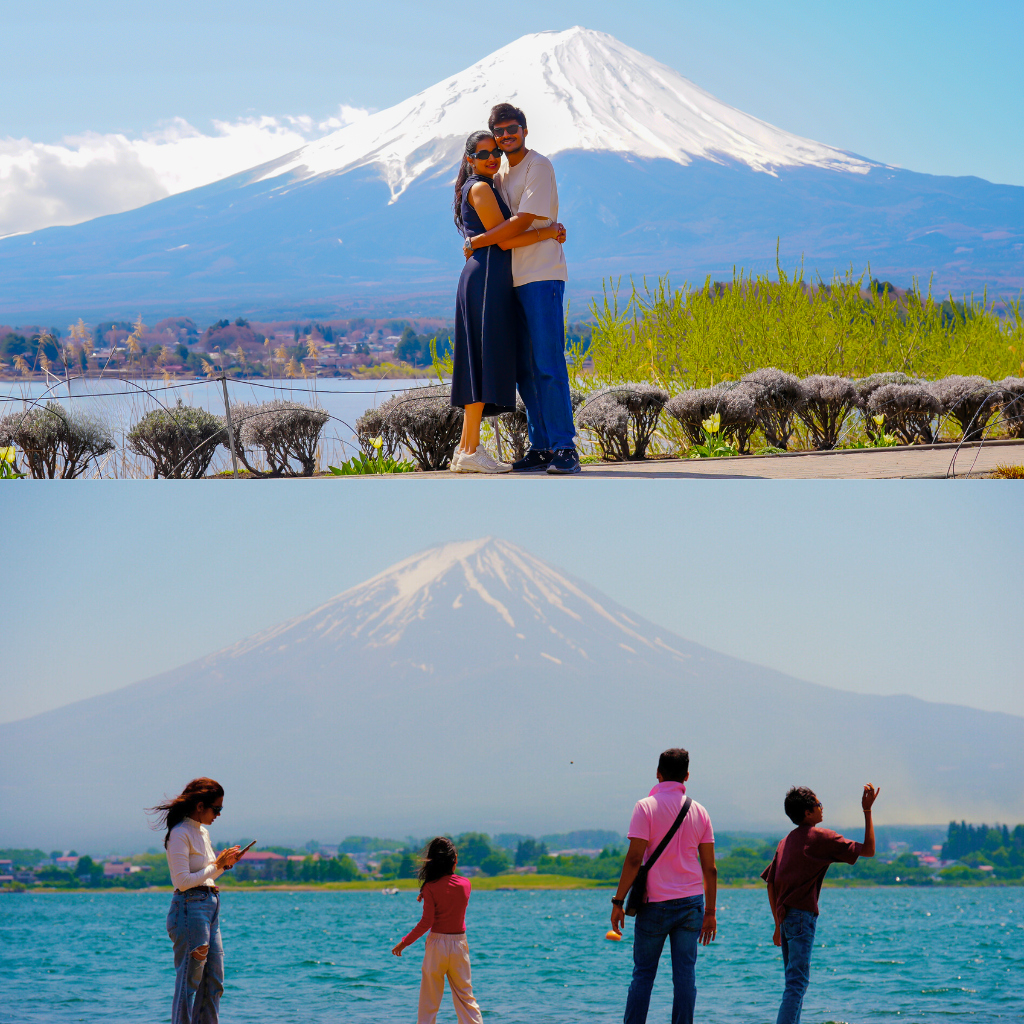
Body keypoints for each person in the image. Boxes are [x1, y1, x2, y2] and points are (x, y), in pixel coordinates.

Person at [464, 102, 579, 475]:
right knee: (525, 371)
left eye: (512, 129)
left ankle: (565, 447)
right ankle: (541, 446)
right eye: (499, 133)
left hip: (541, 274)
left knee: (548, 363)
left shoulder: (538, 166)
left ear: (525, 130)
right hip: (511, 281)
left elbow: (522, 223)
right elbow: (510, 233)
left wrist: (481, 240)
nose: (505, 136)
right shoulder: (498, 176)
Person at [610, 748, 718, 1024]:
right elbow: (710, 869)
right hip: (692, 903)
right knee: (685, 975)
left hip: (654, 904)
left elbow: (635, 859)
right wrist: (711, 913)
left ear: (658, 773)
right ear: (687, 775)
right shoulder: (700, 811)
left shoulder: (645, 807)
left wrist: (618, 901)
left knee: (644, 974)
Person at [761, 784, 880, 1024]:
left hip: (785, 921)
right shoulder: (821, 837)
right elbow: (868, 850)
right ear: (807, 812)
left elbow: (770, 884)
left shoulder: (785, 842)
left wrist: (777, 924)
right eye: (818, 804)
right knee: (797, 984)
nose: (821, 808)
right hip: (802, 918)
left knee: (793, 983)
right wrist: (867, 811)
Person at [149, 777, 245, 1024]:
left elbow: (207, 875)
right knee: (189, 982)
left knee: (214, 981)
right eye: (217, 808)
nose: (219, 814)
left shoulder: (202, 832)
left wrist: (225, 865)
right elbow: (183, 881)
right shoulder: (180, 833)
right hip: (189, 908)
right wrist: (217, 865)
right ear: (200, 806)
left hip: (209, 907)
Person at [391, 836, 484, 1024]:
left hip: (437, 946)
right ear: (455, 859)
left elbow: (427, 922)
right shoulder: (466, 884)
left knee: (429, 1001)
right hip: (459, 945)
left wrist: (404, 942)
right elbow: (450, 893)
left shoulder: (430, 888)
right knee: (466, 998)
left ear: (432, 861)